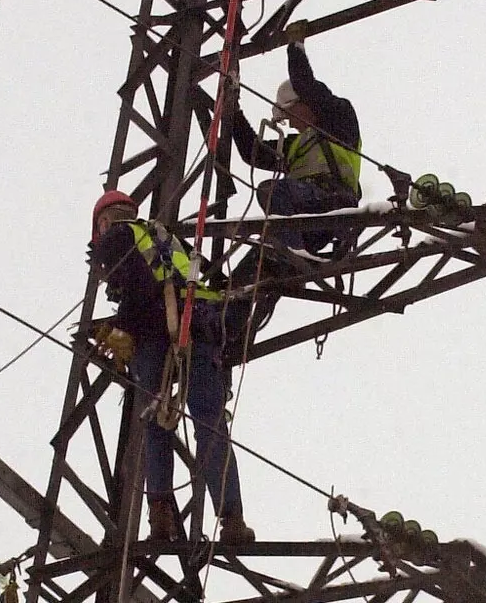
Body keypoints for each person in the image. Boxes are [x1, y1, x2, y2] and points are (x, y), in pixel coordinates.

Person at [88, 190, 255, 544]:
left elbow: (137, 286)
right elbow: (171, 281)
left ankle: (160, 518)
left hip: (153, 335)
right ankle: (233, 519)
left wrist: (123, 329)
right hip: (198, 326)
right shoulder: (162, 236)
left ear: (103, 222)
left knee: (156, 420)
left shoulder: (118, 236)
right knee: (210, 424)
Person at [232, 29, 363, 258]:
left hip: (334, 203)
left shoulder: (340, 119)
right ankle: (281, 259)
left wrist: (295, 46)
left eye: (289, 114)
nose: (291, 124)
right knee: (258, 258)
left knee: (272, 191)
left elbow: (306, 86)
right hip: (308, 219)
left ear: (303, 104)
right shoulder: (297, 145)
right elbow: (252, 153)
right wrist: (233, 111)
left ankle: (291, 254)